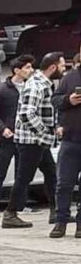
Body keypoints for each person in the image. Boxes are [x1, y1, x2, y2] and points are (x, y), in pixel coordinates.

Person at [3, 51, 65, 229]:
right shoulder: (36, 85)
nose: (63, 69)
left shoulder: (44, 83)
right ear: (52, 67)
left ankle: (57, 212)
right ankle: (10, 213)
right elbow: (26, 114)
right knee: (24, 177)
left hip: (38, 141)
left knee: (51, 173)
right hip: (31, 141)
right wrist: (44, 132)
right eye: (61, 66)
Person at [0, 55, 35, 216]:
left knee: (22, 172)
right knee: (1, 171)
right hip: (7, 138)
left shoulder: (30, 88)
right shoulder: (1, 90)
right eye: (27, 68)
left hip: (24, 137)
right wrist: (2, 128)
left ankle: (20, 204)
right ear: (17, 70)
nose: (30, 71)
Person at [51, 47, 81, 238]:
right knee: (64, 184)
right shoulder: (69, 77)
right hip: (71, 140)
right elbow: (55, 100)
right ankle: (60, 221)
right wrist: (69, 100)